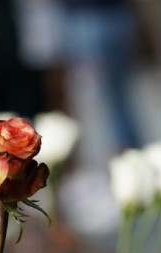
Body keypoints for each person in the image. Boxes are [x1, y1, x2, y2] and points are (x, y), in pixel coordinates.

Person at [60, 0, 142, 151]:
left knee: (108, 96)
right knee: (111, 96)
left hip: (94, 16)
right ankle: (125, 149)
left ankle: (124, 150)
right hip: (92, 16)